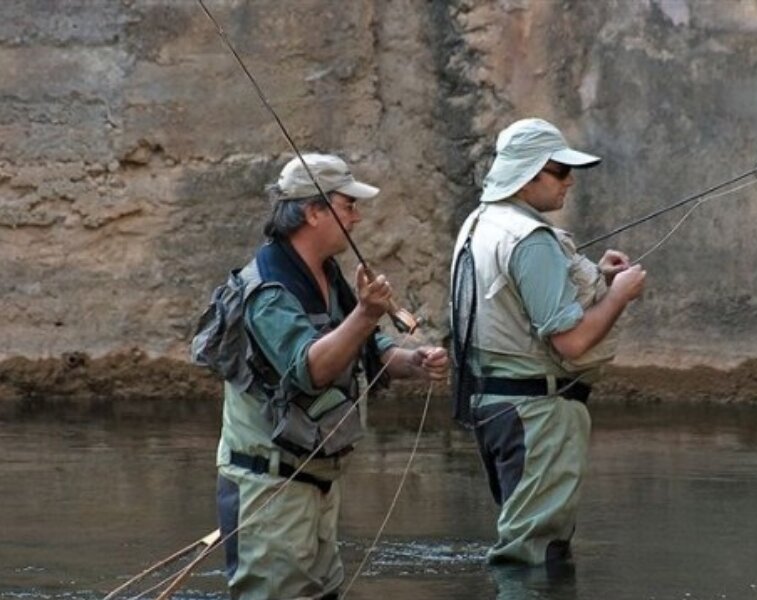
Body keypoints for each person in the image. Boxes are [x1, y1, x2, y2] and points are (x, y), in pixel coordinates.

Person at [211, 153, 448, 599]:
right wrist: (364, 312)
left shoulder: (325, 273)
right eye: (348, 205)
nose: (357, 217)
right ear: (312, 211)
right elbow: (311, 369)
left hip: (312, 482)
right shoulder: (268, 289)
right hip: (270, 490)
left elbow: (366, 346)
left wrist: (413, 362)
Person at [450, 118, 646, 566]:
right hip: (535, 415)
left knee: (527, 542)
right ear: (528, 173)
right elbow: (571, 343)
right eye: (560, 171)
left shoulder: (480, 221)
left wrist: (597, 275)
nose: (569, 181)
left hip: (495, 408)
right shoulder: (530, 238)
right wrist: (618, 295)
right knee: (535, 555)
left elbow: (516, 307)